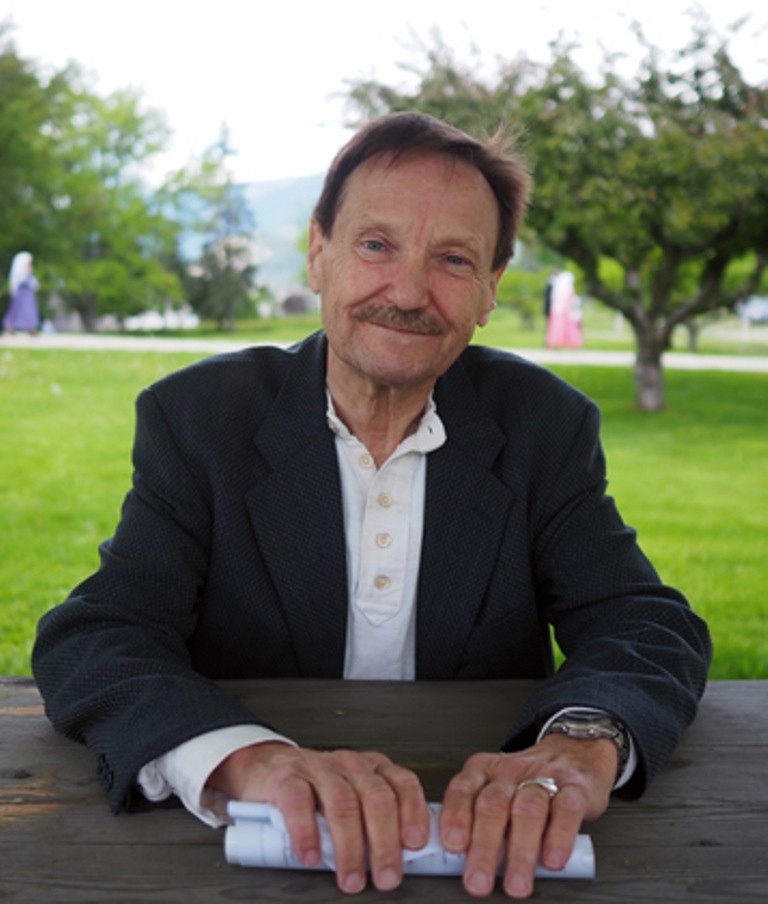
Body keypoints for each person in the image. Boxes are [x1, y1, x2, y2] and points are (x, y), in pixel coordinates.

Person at [32, 112, 711, 900]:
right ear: (318, 252)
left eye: (453, 259)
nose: (410, 292)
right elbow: (99, 636)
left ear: (491, 289)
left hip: (484, 856)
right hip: (239, 858)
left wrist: (583, 741)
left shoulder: (543, 426)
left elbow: (643, 623)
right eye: (377, 245)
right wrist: (246, 759)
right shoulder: (199, 420)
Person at [4, 251, 40, 336]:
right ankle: (10, 328)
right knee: (19, 310)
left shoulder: (28, 274)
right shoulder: (21, 275)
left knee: (30, 311)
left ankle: (32, 328)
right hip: (22, 295)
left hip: (28, 295)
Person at [546, 269, 583, 349]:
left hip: (561, 312)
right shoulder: (567, 288)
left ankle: (555, 344)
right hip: (566, 312)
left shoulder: (559, 288)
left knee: (558, 328)